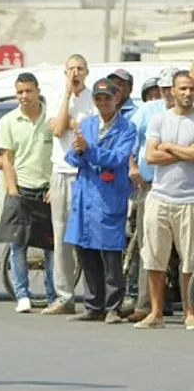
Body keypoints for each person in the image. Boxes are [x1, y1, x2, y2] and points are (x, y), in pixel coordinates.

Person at [63, 78, 136, 324]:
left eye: (108, 97)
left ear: (117, 98)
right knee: (86, 251)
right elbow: (72, 157)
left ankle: (113, 306)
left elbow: (117, 158)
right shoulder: (88, 124)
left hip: (108, 195)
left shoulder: (126, 128)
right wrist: (79, 151)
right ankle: (93, 305)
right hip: (86, 194)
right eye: (98, 98)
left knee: (110, 254)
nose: (103, 102)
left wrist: (89, 151)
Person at [134, 70, 194, 330]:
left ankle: (190, 312)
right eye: (183, 88)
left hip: (189, 200)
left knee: (190, 261)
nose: (187, 93)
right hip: (159, 198)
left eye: (191, 89)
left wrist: (168, 147)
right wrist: (184, 152)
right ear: (173, 91)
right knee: (154, 258)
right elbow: (151, 157)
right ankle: (156, 313)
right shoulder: (159, 119)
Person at [0, 72, 55, 313]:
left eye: (28, 91)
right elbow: (6, 159)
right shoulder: (8, 121)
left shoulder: (52, 118)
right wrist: (12, 189)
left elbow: (59, 155)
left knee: (51, 248)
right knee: (17, 246)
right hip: (20, 190)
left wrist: (54, 186)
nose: (24, 96)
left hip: (48, 191)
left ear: (38, 90)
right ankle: (22, 295)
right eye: (20, 92)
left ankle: (53, 295)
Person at [43, 54, 97, 315]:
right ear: (65, 72)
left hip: (85, 173)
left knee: (88, 236)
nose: (75, 73)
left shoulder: (94, 98)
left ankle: (94, 297)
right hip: (61, 172)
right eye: (71, 69)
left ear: (87, 72)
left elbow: (92, 132)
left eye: (80, 69)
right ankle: (64, 296)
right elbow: (57, 129)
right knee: (61, 236)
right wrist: (66, 97)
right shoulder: (56, 96)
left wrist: (72, 124)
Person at [124, 67, 178, 322]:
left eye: (170, 89)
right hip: (150, 186)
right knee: (149, 245)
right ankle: (146, 305)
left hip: (184, 188)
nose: (167, 94)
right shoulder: (149, 110)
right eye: (163, 89)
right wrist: (132, 166)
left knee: (184, 251)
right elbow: (128, 137)